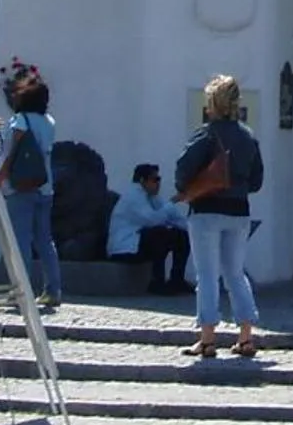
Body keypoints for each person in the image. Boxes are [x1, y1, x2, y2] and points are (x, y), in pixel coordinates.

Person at [177, 73, 264, 357]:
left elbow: (183, 170)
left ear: (212, 103)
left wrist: (189, 187)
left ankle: (207, 338)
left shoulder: (206, 133)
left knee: (207, 274)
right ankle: (246, 336)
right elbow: (257, 180)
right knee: (236, 273)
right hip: (239, 211)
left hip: (206, 209)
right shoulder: (248, 136)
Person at [0, 61, 64, 310]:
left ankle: (20, 292)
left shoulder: (20, 121)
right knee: (45, 240)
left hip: (20, 187)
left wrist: (0, 178)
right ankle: (52, 289)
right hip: (44, 185)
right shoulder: (49, 122)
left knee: (21, 240)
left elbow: (11, 153)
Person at [108, 162, 192, 294]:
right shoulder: (133, 196)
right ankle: (156, 282)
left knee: (181, 235)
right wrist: (172, 202)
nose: (158, 183)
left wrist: (190, 229)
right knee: (159, 234)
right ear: (142, 180)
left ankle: (177, 280)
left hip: (138, 244)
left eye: (159, 179)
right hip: (125, 248)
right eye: (155, 179)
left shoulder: (152, 197)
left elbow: (172, 217)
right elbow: (152, 220)